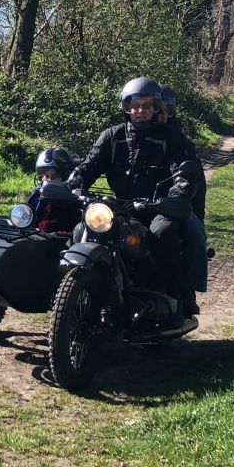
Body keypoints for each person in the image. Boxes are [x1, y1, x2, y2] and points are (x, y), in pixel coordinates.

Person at [68, 77, 205, 318]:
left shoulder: (172, 138)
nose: (140, 111)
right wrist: (73, 186)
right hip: (121, 208)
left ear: (156, 109)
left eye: (146, 106)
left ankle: (174, 294)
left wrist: (175, 196)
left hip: (159, 208)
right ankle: (75, 290)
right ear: (127, 107)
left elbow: (183, 173)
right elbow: (87, 167)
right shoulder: (112, 136)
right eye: (135, 106)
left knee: (162, 234)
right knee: (83, 228)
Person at [159, 84, 209, 310]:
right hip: (134, 203)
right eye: (159, 110)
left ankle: (187, 290)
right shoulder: (125, 134)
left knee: (194, 231)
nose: (163, 115)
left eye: (167, 110)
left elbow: (195, 183)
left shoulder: (179, 141)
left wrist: (187, 207)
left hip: (175, 204)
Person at [25, 147, 82, 233]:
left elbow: (69, 222)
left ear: (65, 176)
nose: (44, 179)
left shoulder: (72, 201)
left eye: (49, 176)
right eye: (42, 175)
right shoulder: (37, 195)